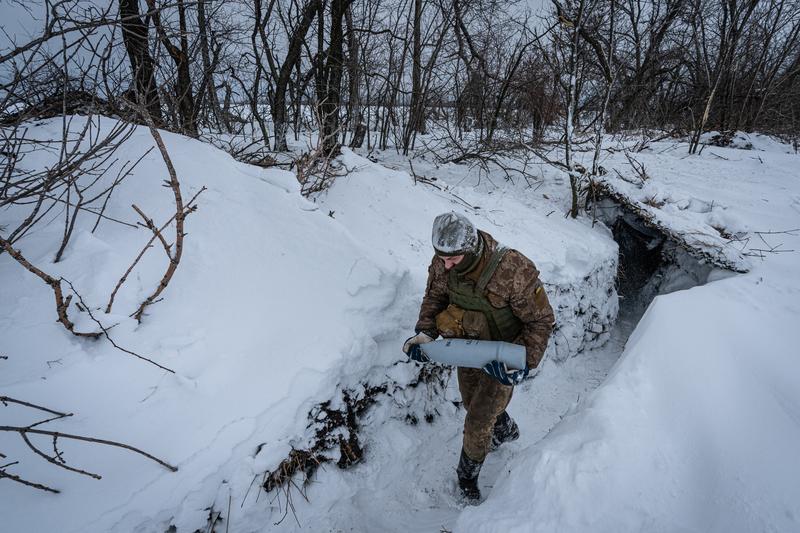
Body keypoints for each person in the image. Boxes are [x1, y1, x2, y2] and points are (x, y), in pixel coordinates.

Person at [402, 212, 555, 501]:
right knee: (471, 401)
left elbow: (541, 321)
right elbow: (434, 297)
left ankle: (467, 481)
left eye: (453, 260)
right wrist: (425, 333)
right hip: (467, 348)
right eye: (442, 258)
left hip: (502, 354)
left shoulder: (512, 269)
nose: (445, 265)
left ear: (470, 249)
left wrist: (523, 363)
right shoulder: (443, 260)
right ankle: (506, 428)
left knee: (477, 419)